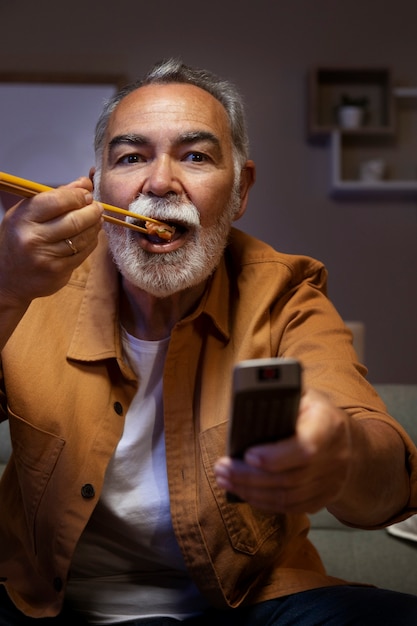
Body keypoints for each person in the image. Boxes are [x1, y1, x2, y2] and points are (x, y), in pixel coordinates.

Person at [0, 58, 416, 626]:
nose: (160, 183)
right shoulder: (30, 284)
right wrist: (5, 291)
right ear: (96, 189)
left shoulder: (284, 291)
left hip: (248, 609)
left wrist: (341, 454)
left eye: (195, 156)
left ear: (241, 190)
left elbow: (388, 480)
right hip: (45, 609)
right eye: (131, 157)